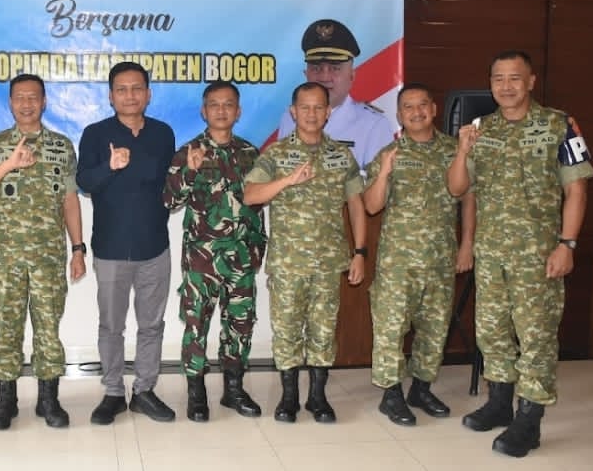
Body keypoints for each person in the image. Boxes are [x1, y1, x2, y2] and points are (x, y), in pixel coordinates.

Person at [447, 50, 593, 458]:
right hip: (492, 253)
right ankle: (499, 403)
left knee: (536, 335)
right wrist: (462, 150)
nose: (506, 86)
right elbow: (458, 188)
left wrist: (567, 244)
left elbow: (576, 189)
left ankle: (529, 420)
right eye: (498, 79)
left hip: (538, 255)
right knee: (491, 331)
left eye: (515, 78)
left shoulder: (559, 125)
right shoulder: (482, 129)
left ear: (530, 82)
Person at [0, 74, 87, 430]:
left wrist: (78, 249)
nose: (27, 103)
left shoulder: (61, 146)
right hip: (8, 257)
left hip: (49, 255)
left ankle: (49, 399)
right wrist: (9, 164)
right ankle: (6, 400)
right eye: (20, 97)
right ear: (10, 102)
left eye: (33, 97)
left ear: (44, 102)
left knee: (48, 327)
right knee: (8, 327)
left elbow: (70, 200)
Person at [244, 81, 365, 424]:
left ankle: (317, 397)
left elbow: (356, 205)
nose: (311, 114)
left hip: (329, 262)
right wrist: (287, 181)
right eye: (305, 107)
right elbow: (250, 195)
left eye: (318, 107)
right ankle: (289, 397)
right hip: (288, 263)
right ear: (293, 112)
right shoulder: (276, 154)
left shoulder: (341, 155)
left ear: (328, 112)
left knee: (323, 331)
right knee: (287, 331)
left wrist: (360, 252)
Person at [363, 83, 476, 427]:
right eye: (408, 107)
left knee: (435, 327)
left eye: (422, 105)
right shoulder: (390, 153)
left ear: (434, 109)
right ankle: (391, 394)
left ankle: (421, 389)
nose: (416, 112)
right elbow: (371, 205)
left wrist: (467, 244)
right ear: (399, 115)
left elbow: (467, 198)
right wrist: (385, 172)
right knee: (391, 327)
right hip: (398, 261)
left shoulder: (454, 149)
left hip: (440, 258)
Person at [77, 61, 177, 424]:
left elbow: (171, 184)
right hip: (111, 248)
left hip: (154, 246)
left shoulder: (163, 134)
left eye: (137, 88)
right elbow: (84, 182)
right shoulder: (95, 134)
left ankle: (145, 391)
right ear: (110, 96)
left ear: (148, 94)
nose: (130, 95)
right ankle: (113, 393)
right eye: (122, 89)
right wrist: (110, 166)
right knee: (111, 326)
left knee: (152, 325)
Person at [163, 81, 267, 423]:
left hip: (241, 257)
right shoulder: (188, 152)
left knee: (240, 324)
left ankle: (233, 390)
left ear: (238, 111)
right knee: (196, 325)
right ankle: (196, 393)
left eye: (228, 104)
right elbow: (170, 201)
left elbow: (258, 205)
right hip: (202, 259)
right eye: (214, 104)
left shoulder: (251, 153)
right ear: (203, 111)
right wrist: (190, 171)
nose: (221, 110)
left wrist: (258, 247)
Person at [277, 18, 393, 169]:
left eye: (335, 68)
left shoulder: (374, 125)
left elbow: (381, 182)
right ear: (306, 74)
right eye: (317, 68)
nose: (324, 77)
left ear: (351, 76)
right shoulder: (289, 118)